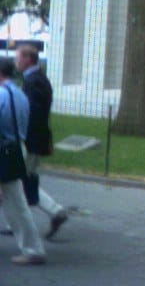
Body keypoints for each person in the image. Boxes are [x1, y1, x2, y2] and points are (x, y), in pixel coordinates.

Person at [15, 45, 68, 240]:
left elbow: (31, 114)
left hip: (29, 140)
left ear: (28, 59)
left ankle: (48, 215)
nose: (15, 62)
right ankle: (54, 212)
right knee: (24, 181)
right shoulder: (35, 80)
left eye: (18, 58)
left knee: (16, 182)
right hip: (34, 139)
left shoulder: (34, 82)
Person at [0, 57, 46, 264]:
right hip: (16, 148)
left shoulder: (1, 95)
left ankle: (33, 249)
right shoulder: (19, 94)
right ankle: (32, 248)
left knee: (15, 202)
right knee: (15, 201)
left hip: (4, 150)